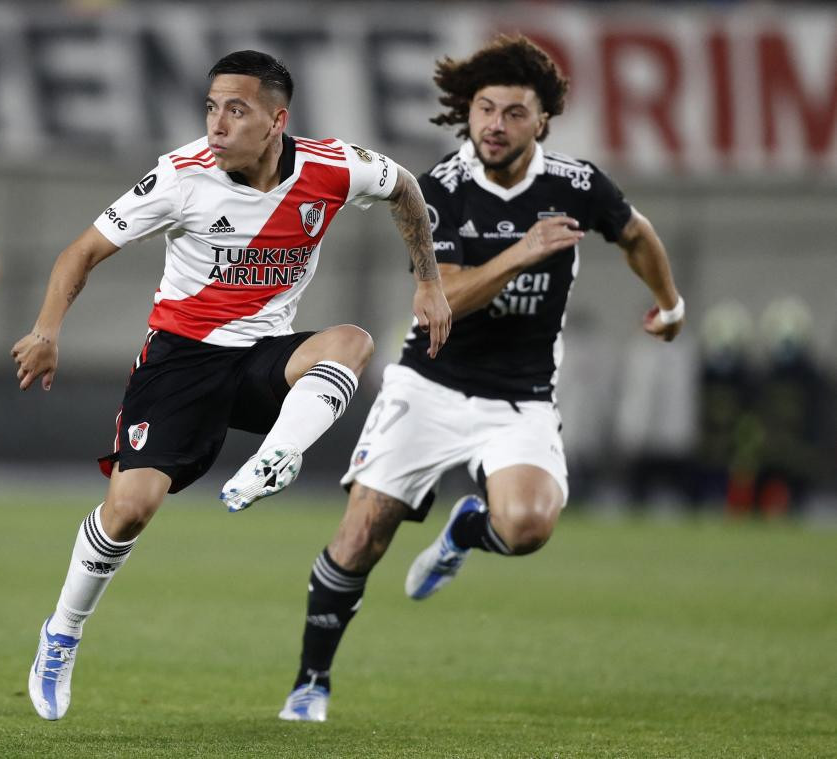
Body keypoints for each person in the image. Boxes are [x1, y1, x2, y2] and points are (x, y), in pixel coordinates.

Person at [10, 49, 451, 721]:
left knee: (353, 341)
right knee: (129, 508)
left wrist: (428, 280)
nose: (217, 124)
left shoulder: (335, 167)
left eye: (236, 110)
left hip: (260, 358)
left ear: (277, 120)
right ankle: (62, 633)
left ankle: (278, 454)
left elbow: (405, 190)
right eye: (212, 107)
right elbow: (83, 251)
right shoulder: (179, 177)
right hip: (180, 361)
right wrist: (45, 331)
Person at [277, 35, 686, 722]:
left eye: (513, 112)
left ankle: (465, 532)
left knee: (527, 526)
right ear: (467, 113)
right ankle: (310, 682)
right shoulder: (437, 189)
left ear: (542, 121)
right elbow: (440, 299)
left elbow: (637, 233)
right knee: (359, 538)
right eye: (484, 109)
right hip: (429, 384)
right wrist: (524, 251)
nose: (495, 124)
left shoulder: (576, 185)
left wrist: (670, 305)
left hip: (520, 394)